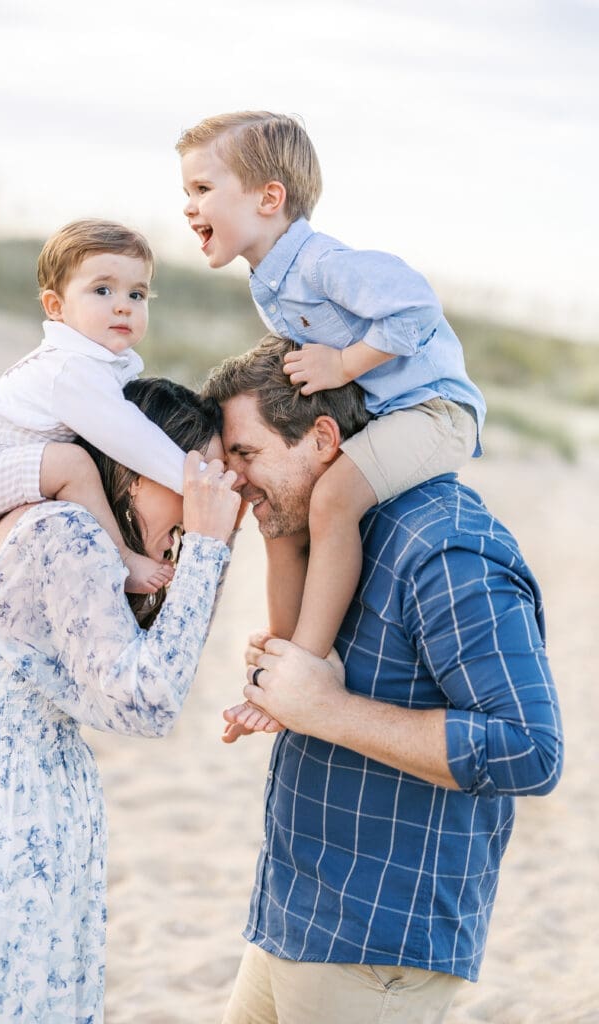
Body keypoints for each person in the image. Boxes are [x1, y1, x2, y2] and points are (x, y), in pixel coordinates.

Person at [202, 336, 563, 1023]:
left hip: (377, 949)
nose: (236, 479)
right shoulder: (334, 533)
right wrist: (287, 680)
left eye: (246, 455)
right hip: (295, 918)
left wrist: (327, 710)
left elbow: (531, 750)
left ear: (324, 438)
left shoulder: (445, 551)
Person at [0, 377, 241, 1023]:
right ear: (134, 468)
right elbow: (147, 704)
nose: (204, 499)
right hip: (2, 838)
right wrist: (209, 546)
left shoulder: (69, 530)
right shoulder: (63, 531)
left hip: (9, 824)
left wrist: (204, 549)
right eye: (195, 476)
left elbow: (137, 670)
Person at [177, 110, 486, 673]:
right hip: (381, 411)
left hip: (434, 409)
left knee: (333, 499)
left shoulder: (322, 264)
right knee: (275, 510)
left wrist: (345, 363)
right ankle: (282, 639)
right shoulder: (269, 281)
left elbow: (417, 311)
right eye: (186, 191)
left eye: (202, 188)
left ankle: (307, 660)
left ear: (269, 198)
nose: (189, 205)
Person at [0, 218, 188, 595]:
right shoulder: (70, 368)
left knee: (76, 462)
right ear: (56, 306)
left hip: (5, 463)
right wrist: (195, 481)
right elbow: (134, 439)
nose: (123, 306)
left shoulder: (97, 363)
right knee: (73, 464)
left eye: (137, 295)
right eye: (103, 290)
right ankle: (121, 557)